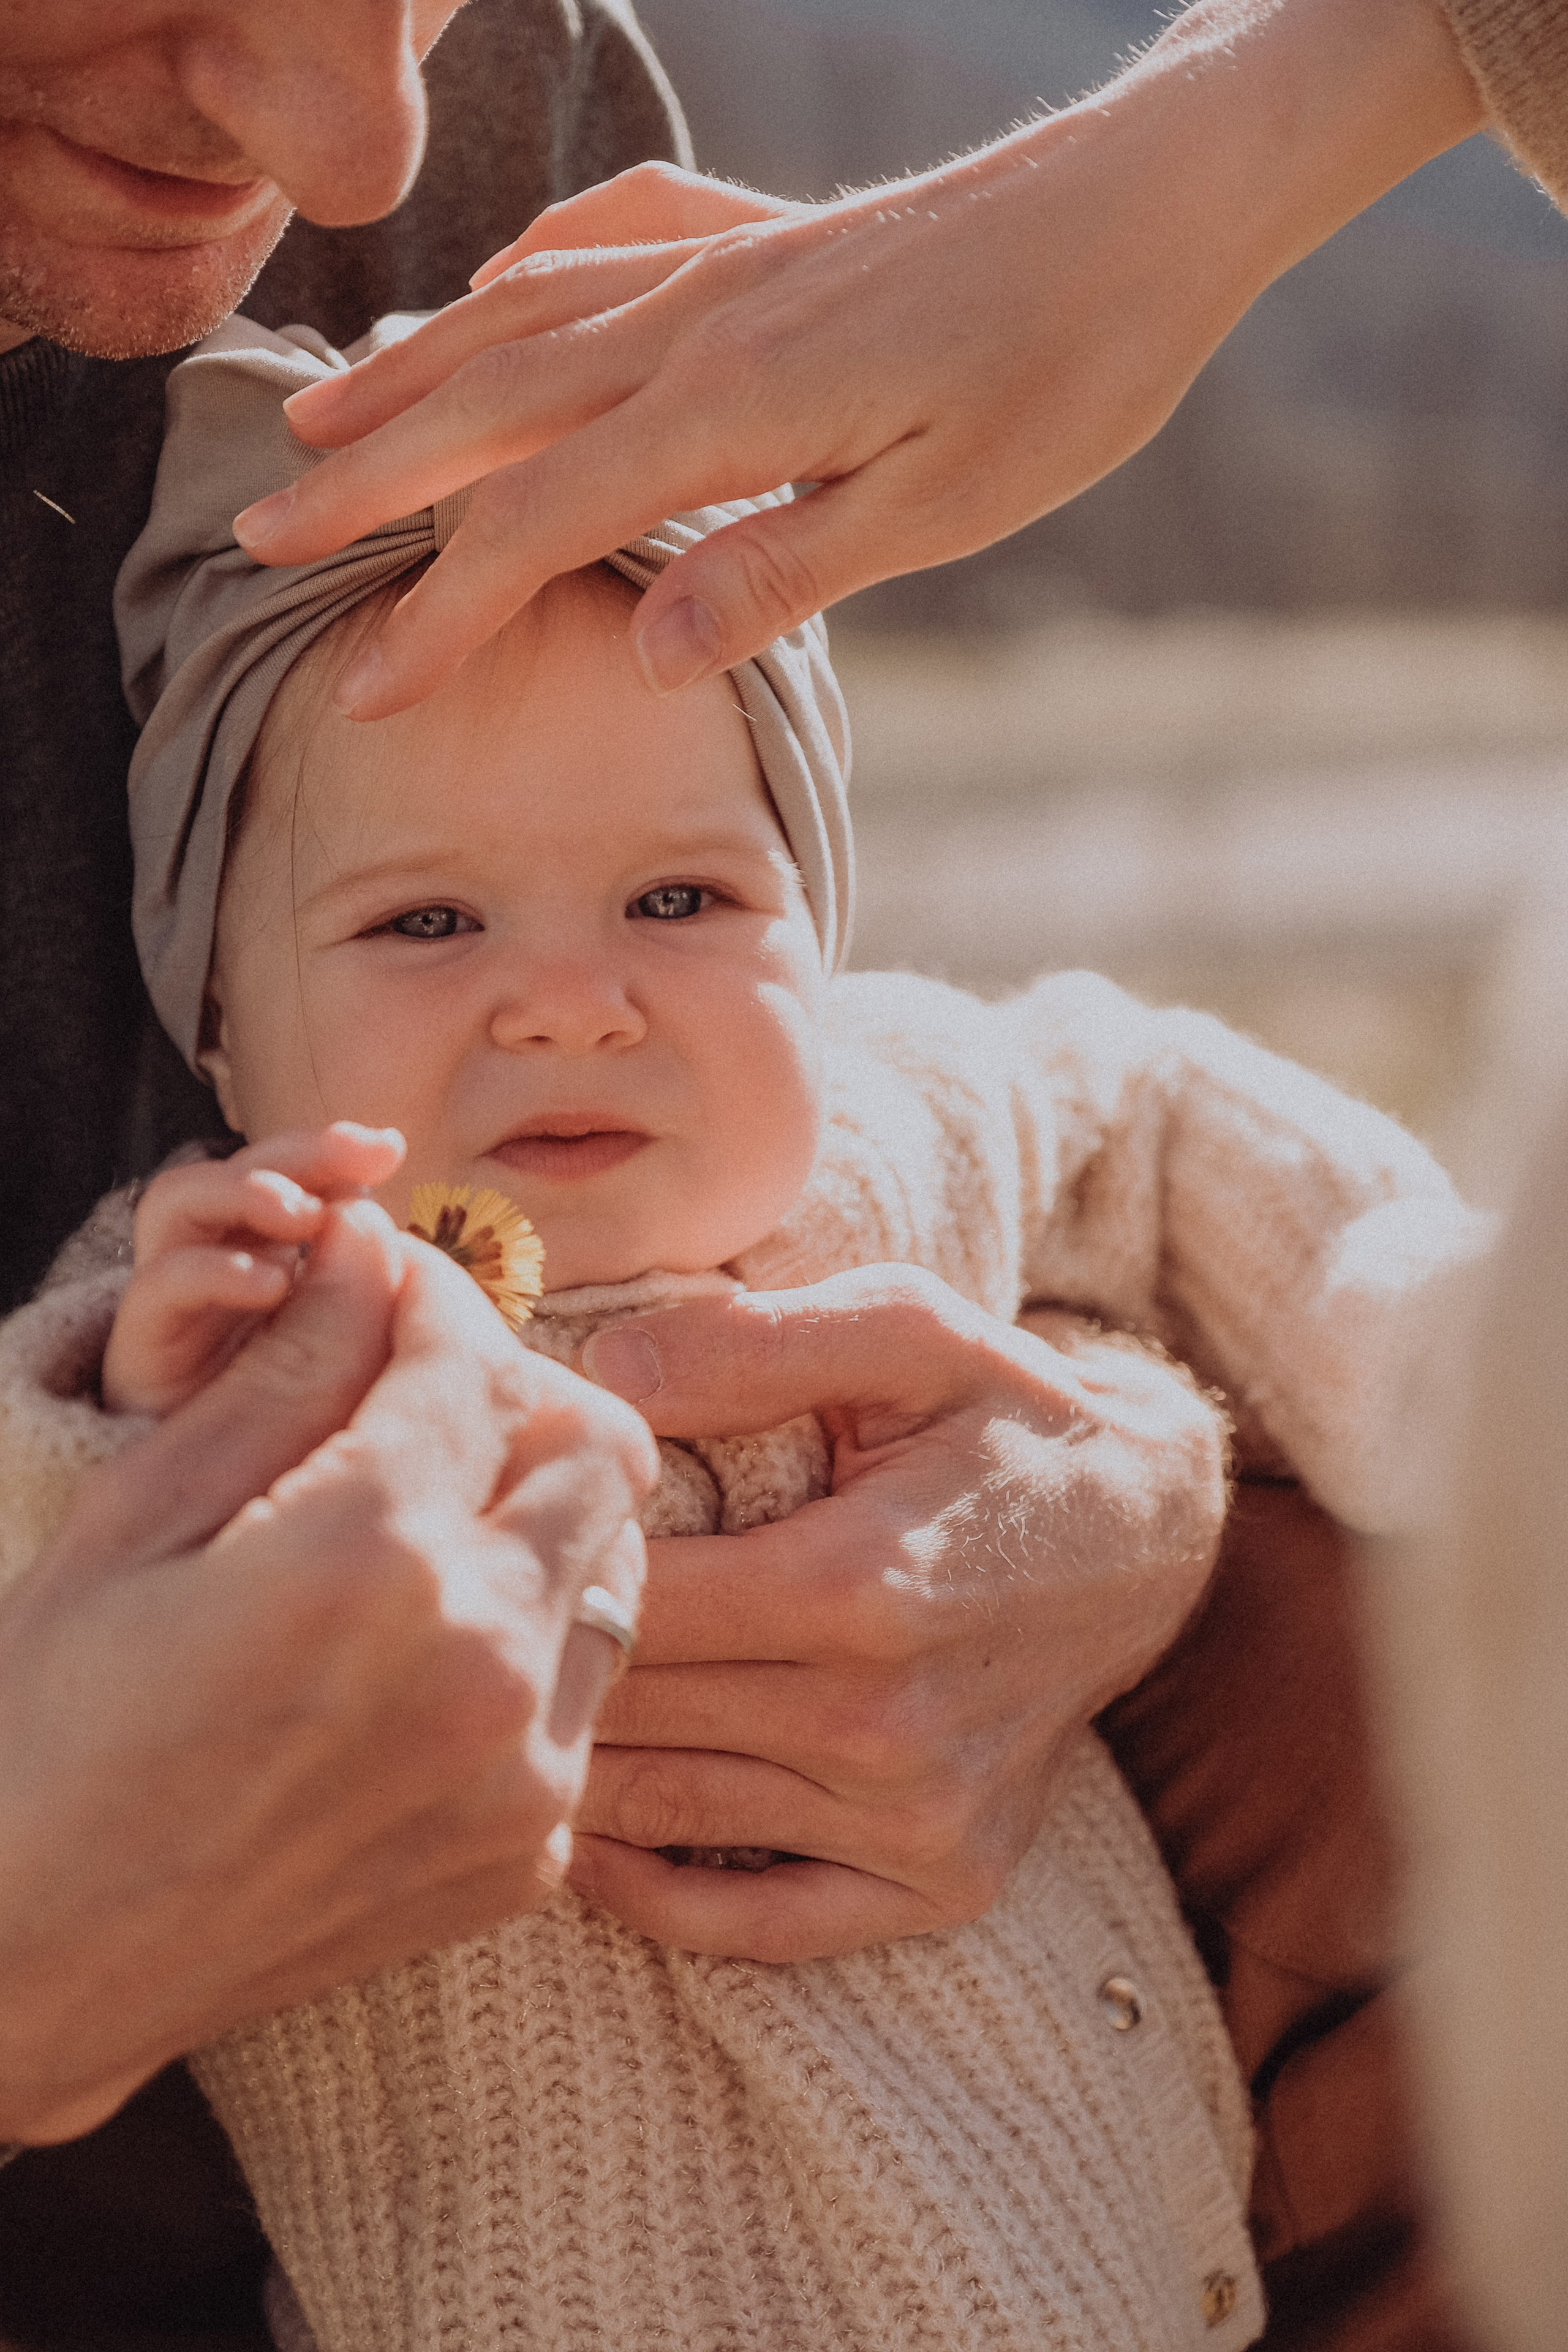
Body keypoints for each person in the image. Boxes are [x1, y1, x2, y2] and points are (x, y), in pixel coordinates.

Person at [0, 309, 1486, 2351]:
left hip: (1111, 2261)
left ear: (817, 919)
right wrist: (135, 1414)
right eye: (428, 924)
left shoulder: (894, 1123)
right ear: (227, 1026)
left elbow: (1141, 1109)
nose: (573, 1002)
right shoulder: (261, 1292)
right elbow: (60, 1599)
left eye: (683, 903)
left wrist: (1420, 1362)